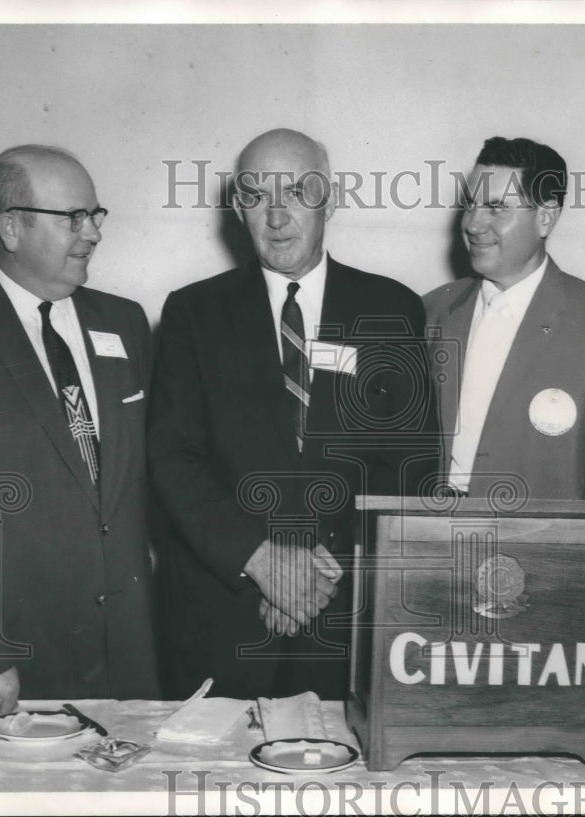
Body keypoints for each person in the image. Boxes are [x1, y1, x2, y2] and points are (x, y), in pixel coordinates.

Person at [148, 128, 436, 700]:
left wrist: (315, 573)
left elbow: (411, 464)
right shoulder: (192, 312)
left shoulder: (392, 308)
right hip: (220, 614)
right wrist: (261, 562)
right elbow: (173, 461)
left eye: (298, 192)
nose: (276, 215)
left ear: (330, 197)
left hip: (341, 618)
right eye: (255, 196)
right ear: (238, 209)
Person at [0, 145, 161, 714]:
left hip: (129, 649)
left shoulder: (124, 322)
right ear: (11, 227)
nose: (92, 232)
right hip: (14, 658)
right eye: (72, 217)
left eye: (95, 214)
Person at [423, 136, 585, 502]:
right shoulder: (431, 311)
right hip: (429, 539)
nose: (473, 224)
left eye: (496, 208)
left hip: (541, 548)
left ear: (545, 217)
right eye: (471, 205)